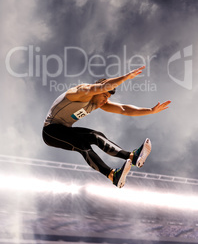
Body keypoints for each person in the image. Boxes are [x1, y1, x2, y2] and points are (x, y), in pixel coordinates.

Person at [42, 66, 171, 188]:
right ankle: (112, 175)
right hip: (50, 131)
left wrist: (150, 110)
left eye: (108, 98)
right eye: (105, 96)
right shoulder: (81, 92)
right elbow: (102, 86)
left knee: (95, 136)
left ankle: (132, 157)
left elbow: (123, 109)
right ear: (98, 91)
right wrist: (126, 77)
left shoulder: (99, 103)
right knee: (82, 145)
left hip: (65, 130)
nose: (105, 101)